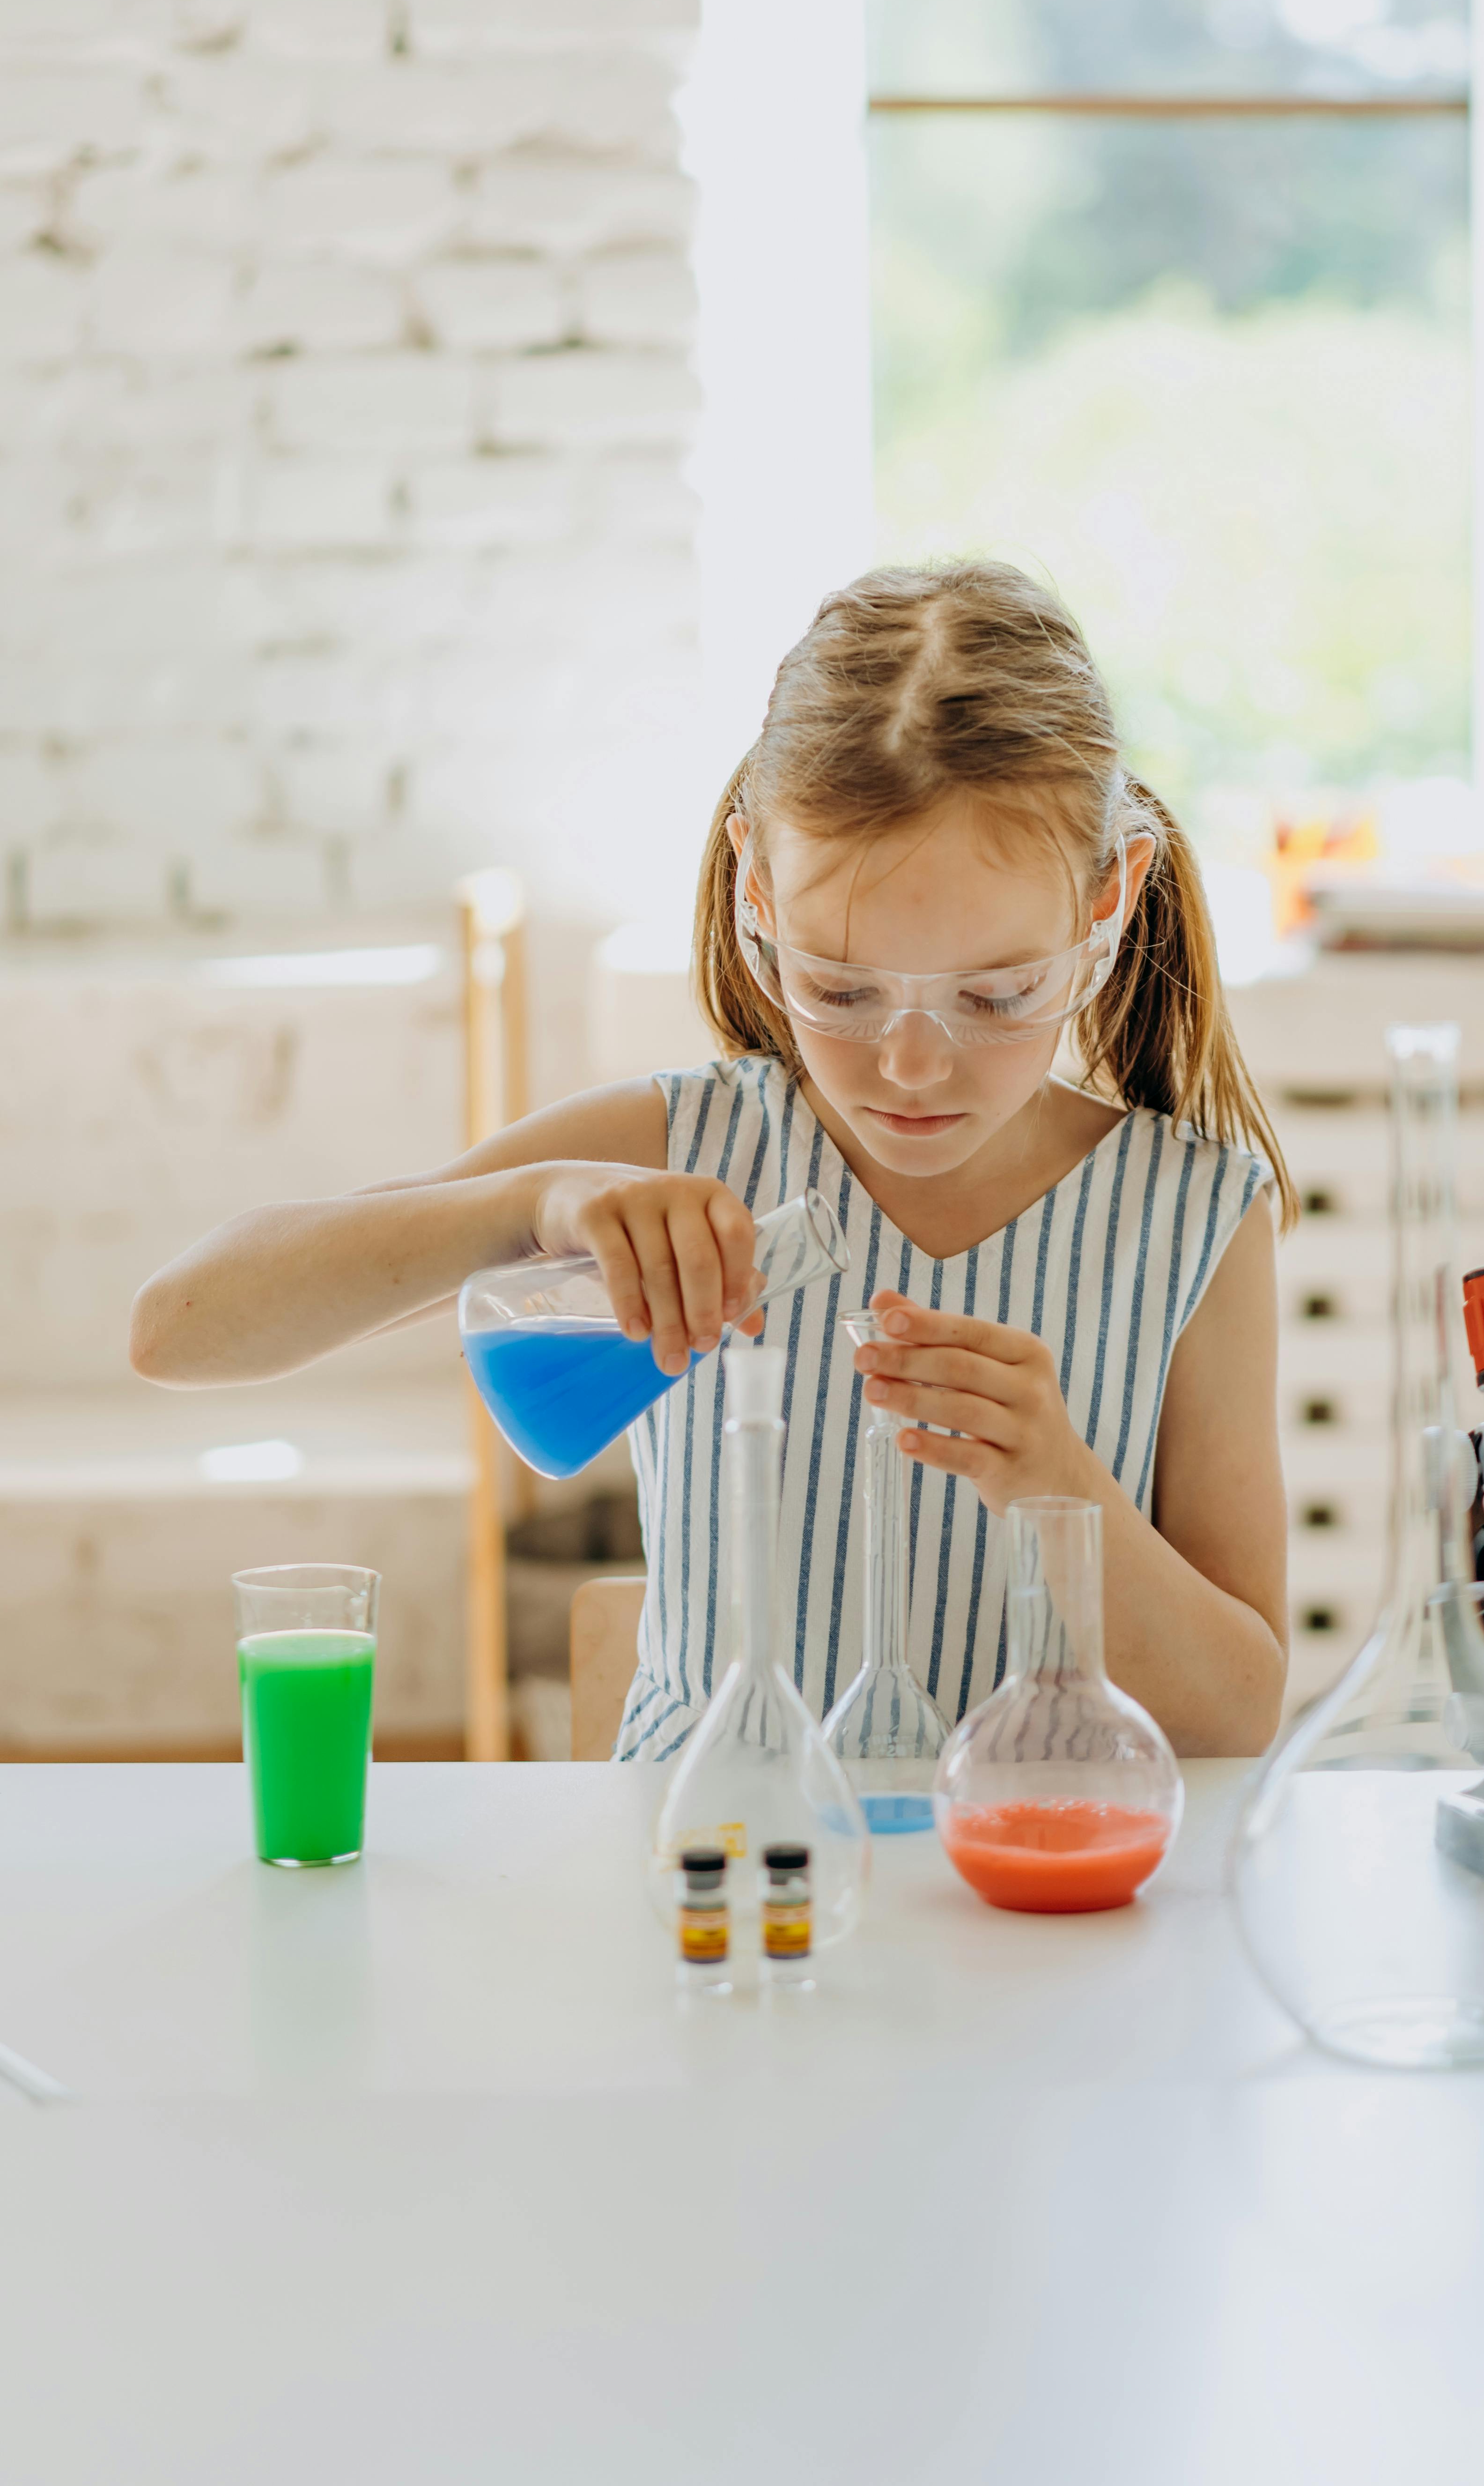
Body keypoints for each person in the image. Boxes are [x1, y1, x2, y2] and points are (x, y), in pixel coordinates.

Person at [132, 562, 1295, 1758]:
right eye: (838, 987)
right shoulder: (680, 1149)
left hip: (1038, 1911)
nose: (906, 1066)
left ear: (1109, 903)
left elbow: (1239, 1716)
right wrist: (536, 1202)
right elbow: (180, 1330)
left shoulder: (1191, 1219)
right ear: (756, 887)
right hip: (707, 1895)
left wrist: (1058, 1485)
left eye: (996, 996)